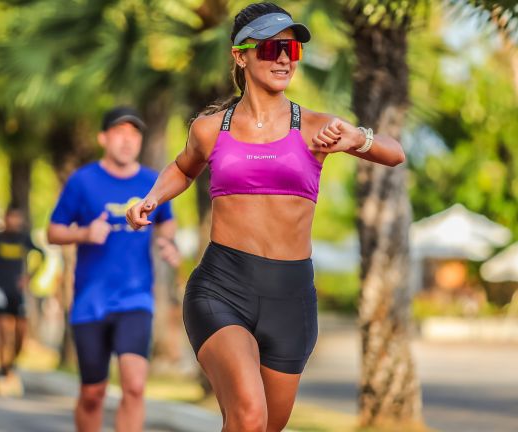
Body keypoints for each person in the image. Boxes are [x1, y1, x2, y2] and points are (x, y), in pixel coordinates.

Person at [126, 3, 406, 431]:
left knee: (257, 426)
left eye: (291, 50)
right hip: (222, 287)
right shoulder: (210, 128)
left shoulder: (315, 127)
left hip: (291, 298)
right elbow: (184, 168)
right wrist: (151, 198)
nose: (282, 58)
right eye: (272, 47)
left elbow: (394, 153)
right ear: (240, 55)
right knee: (250, 415)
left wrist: (358, 137)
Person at [47, 106, 180, 432]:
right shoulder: (82, 181)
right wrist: (83, 233)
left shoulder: (152, 181)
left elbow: (167, 222)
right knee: (93, 393)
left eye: (134, 134)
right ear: (103, 138)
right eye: (120, 133)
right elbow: (52, 231)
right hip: (90, 302)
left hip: (135, 299)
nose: (127, 141)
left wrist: (165, 242)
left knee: (134, 387)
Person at [0, 205, 45, 396]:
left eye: (17, 218)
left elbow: (42, 255)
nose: (14, 222)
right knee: (4, 330)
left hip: (18, 292)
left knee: (21, 332)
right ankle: (2, 369)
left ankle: (12, 364)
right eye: (11, 217)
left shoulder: (24, 238)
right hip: (0, 289)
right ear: (5, 218)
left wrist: (29, 276)